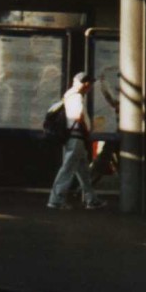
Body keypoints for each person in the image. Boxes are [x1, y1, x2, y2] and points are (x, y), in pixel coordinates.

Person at [47, 71, 105, 211]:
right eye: (89, 83)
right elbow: (78, 116)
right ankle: (56, 200)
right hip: (76, 138)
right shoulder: (76, 96)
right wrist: (87, 130)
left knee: (84, 171)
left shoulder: (69, 95)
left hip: (73, 138)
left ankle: (91, 199)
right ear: (85, 83)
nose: (90, 86)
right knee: (67, 169)